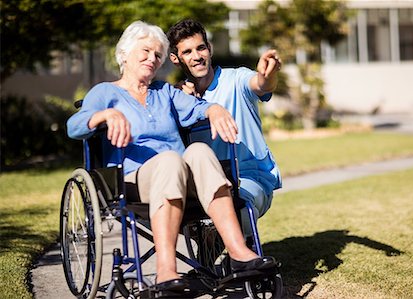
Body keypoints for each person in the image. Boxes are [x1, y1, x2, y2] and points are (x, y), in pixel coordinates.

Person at [66, 20, 275, 294]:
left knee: (199, 151)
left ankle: (239, 253)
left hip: (180, 179)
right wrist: (104, 114)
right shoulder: (105, 93)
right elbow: (74, 126)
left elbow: (200, 107)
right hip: (133, 182)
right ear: (125, 54)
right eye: (145, 52)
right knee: (170, 160)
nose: (152, 59)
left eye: (157, 55)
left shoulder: (164, 92)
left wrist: (213, 111)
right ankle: (166, 271)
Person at [166, 19, 282, 236]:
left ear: (209, 49)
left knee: (234, 206)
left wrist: (268, 75)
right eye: (188, 52)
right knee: (162, 208)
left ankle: (241, 256)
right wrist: (178, 99)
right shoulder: (177, 97)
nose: (197, 56)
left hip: (249, 180)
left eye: (201, 48)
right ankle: (209, 257)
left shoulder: (236, 79)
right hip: (202, 186)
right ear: (175, 58)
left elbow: (261, 84)